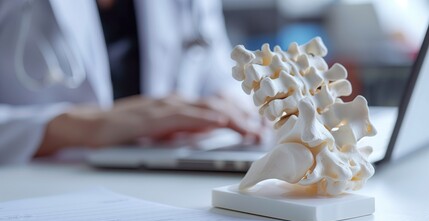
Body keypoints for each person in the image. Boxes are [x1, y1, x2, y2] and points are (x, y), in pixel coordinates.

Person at [0, 0, 259, 164]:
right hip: (36, 182)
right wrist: (72, 127)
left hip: (160, 177)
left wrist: (228, 104)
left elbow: (217, 70)